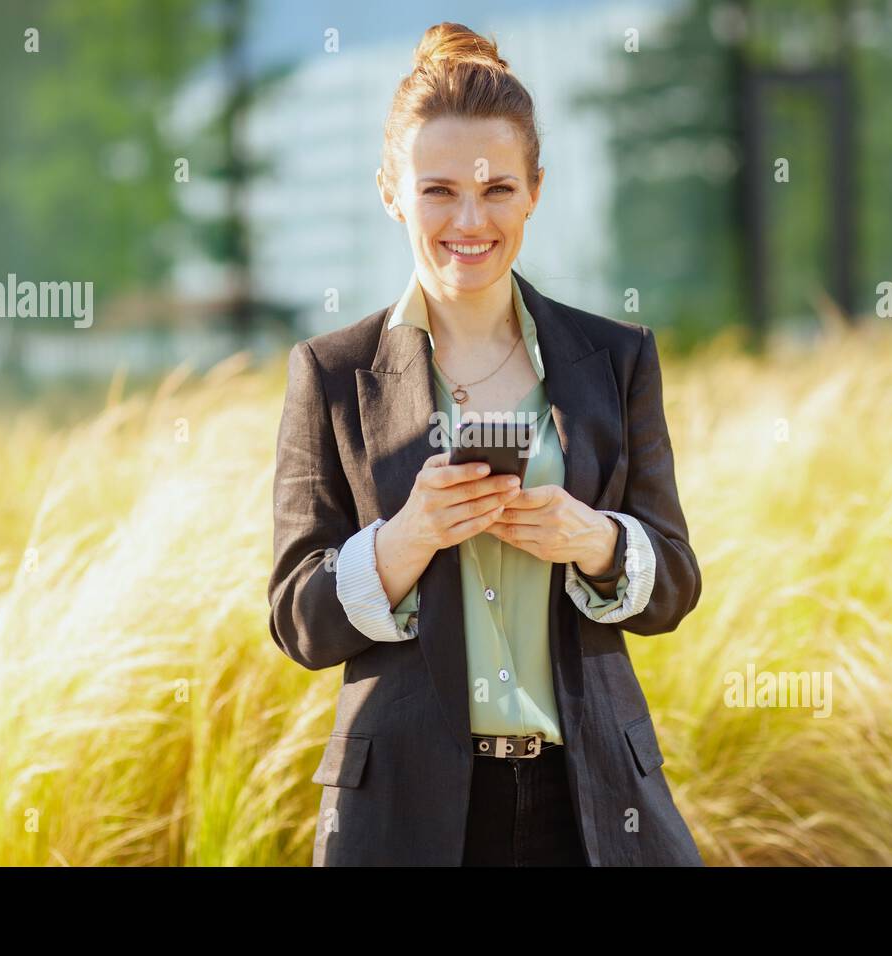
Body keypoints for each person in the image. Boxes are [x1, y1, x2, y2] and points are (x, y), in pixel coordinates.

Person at [268, 21, 703, 866]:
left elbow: (676, 583)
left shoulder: (615, 360)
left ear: (535, 190)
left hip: (589, 803)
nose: (470, 220)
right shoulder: (329, 374)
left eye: (497, 189)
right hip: (404, 812)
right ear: (392, 191)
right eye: (438, 191)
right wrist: (404, 540)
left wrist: (598, 542)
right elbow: (297, 620)